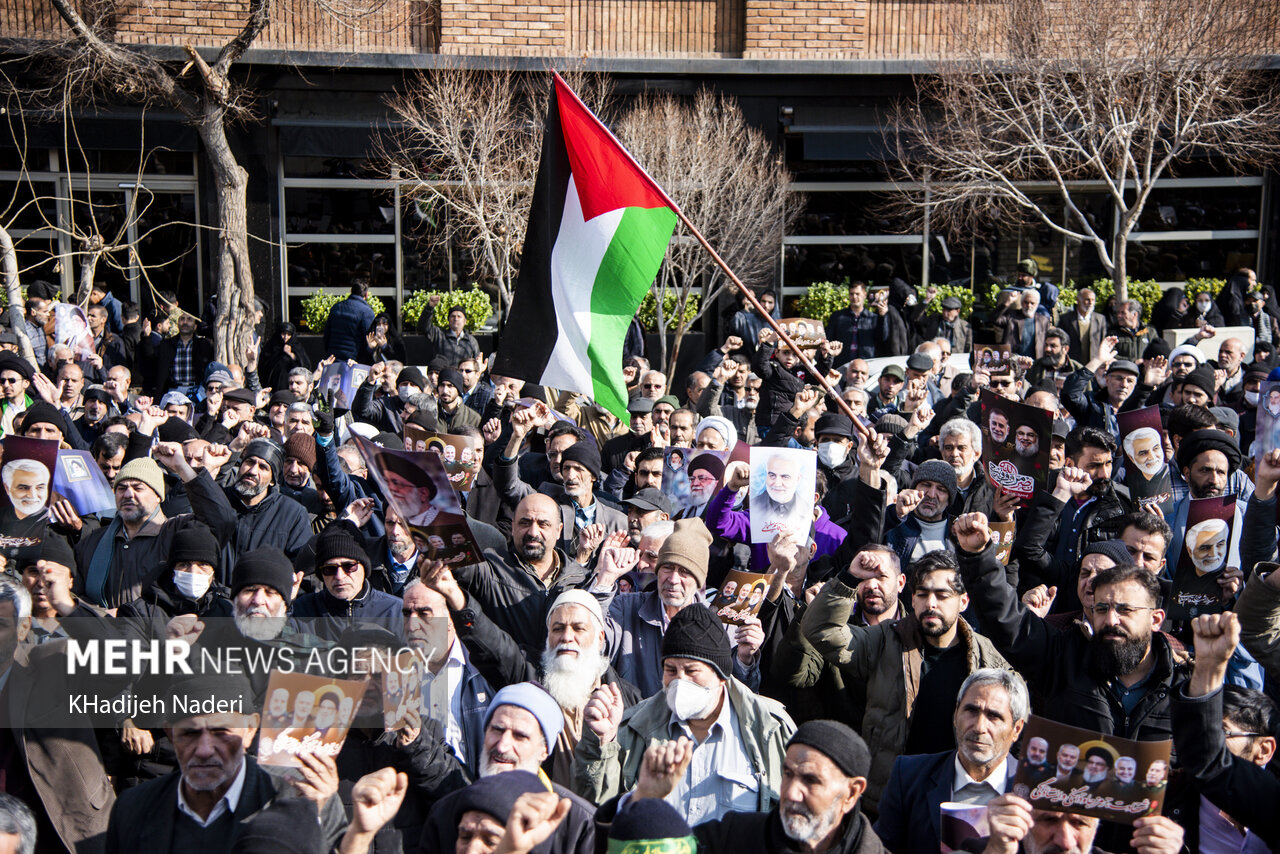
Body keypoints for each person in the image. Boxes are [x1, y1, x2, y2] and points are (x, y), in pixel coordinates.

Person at [801, 549, 1010, 815]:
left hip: (959, 804)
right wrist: (849, 578)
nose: (930, 603)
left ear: (964, 601)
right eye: (922, 594)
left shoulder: (987, 658)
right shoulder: (885, 640)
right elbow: (820, 630)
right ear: (912, 598)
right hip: (889, 800)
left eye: (942, 595)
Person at [573, 603, 795, 823]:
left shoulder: (771, 727)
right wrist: (601, 744)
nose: (680, 680)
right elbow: (599, 810)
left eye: (691, 670)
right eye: (671, 670)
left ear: (720, 675)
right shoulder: (632, 727)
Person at [104, 672, 348, 853]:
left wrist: (312, 816)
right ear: (170, 734)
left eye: (221, 732)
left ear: (250, 729)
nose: (204, 750)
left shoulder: (301, 793)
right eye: (190, 733)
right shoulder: (134, 807)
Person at [875, 669, 1029, 854]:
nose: (979, 727)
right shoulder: (909, 775)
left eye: (993, 716)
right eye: (971, 710)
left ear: (1016, 729)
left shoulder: (1036, 792)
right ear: (955, 715)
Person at [1171, 611, 1280, 851]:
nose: (1214, 740)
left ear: (1264, 750)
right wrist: (1209, 668)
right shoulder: (1170, 802)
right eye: (1214, 731)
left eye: (1223, 733)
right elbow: (1206, 758)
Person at [978, 793, 1184, 854]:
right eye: (1049, 820)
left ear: (1096, 826)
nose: (1065, 841)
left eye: (1079, 823)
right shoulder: (984, 849)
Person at [325, 281, 376, 362]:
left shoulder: (336, 307)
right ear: (366, 294)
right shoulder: (367, 312)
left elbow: (327, 335)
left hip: (332, 358)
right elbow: (369, 340)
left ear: (351, 291)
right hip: (353, 361)